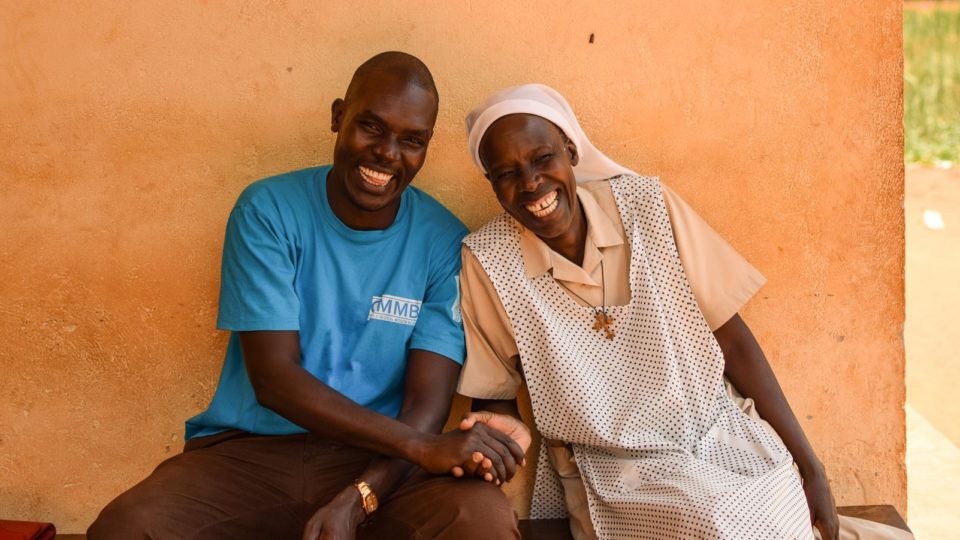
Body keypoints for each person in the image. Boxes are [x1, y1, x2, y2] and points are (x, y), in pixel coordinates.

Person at [87, 52, 524, 540]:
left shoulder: (443, 241)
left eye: (411, 140)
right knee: (128, 527)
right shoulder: (268, 210)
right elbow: (275, 379)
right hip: (253, 453)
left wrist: (361, 497)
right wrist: (423, 448)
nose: (387, 153)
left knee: (480, 522)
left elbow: (426, 402)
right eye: (371, 127)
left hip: (386, 461)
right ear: (338, 116)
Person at [455, 84, 914, 540]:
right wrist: (502, 436)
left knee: (771, 515)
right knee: (715, 522)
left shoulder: (648, 206)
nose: (531, 183)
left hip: (720, 435)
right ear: (490, 182)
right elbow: (495, 390)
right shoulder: (489, 260)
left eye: (542, 159)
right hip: (616, 473)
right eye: (507, 173)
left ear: (571, 151)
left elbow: (730, 336)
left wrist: (809, 464)